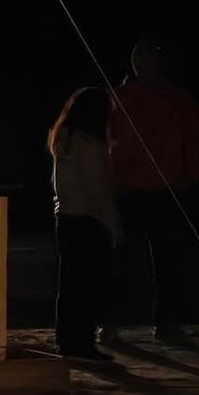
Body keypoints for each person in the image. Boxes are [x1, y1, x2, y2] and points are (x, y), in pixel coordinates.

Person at [108, 38, 199, 342]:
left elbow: (193, 142)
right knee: (133, 260)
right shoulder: (125, 96)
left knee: (160, 261)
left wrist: (187, 175)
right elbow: (109, 140)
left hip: (156, 190)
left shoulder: (174, 99)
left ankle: (155, 324)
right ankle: (121, 324)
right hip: (143, 190)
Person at [48, 87, 120, 361]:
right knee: (89, 286)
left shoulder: (63, 140)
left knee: (69, 285)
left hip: (66, 218)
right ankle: (84, 342)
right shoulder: (90, 145)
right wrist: (113, 223)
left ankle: (66, 339)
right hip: (88, 221)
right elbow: (98, 190)